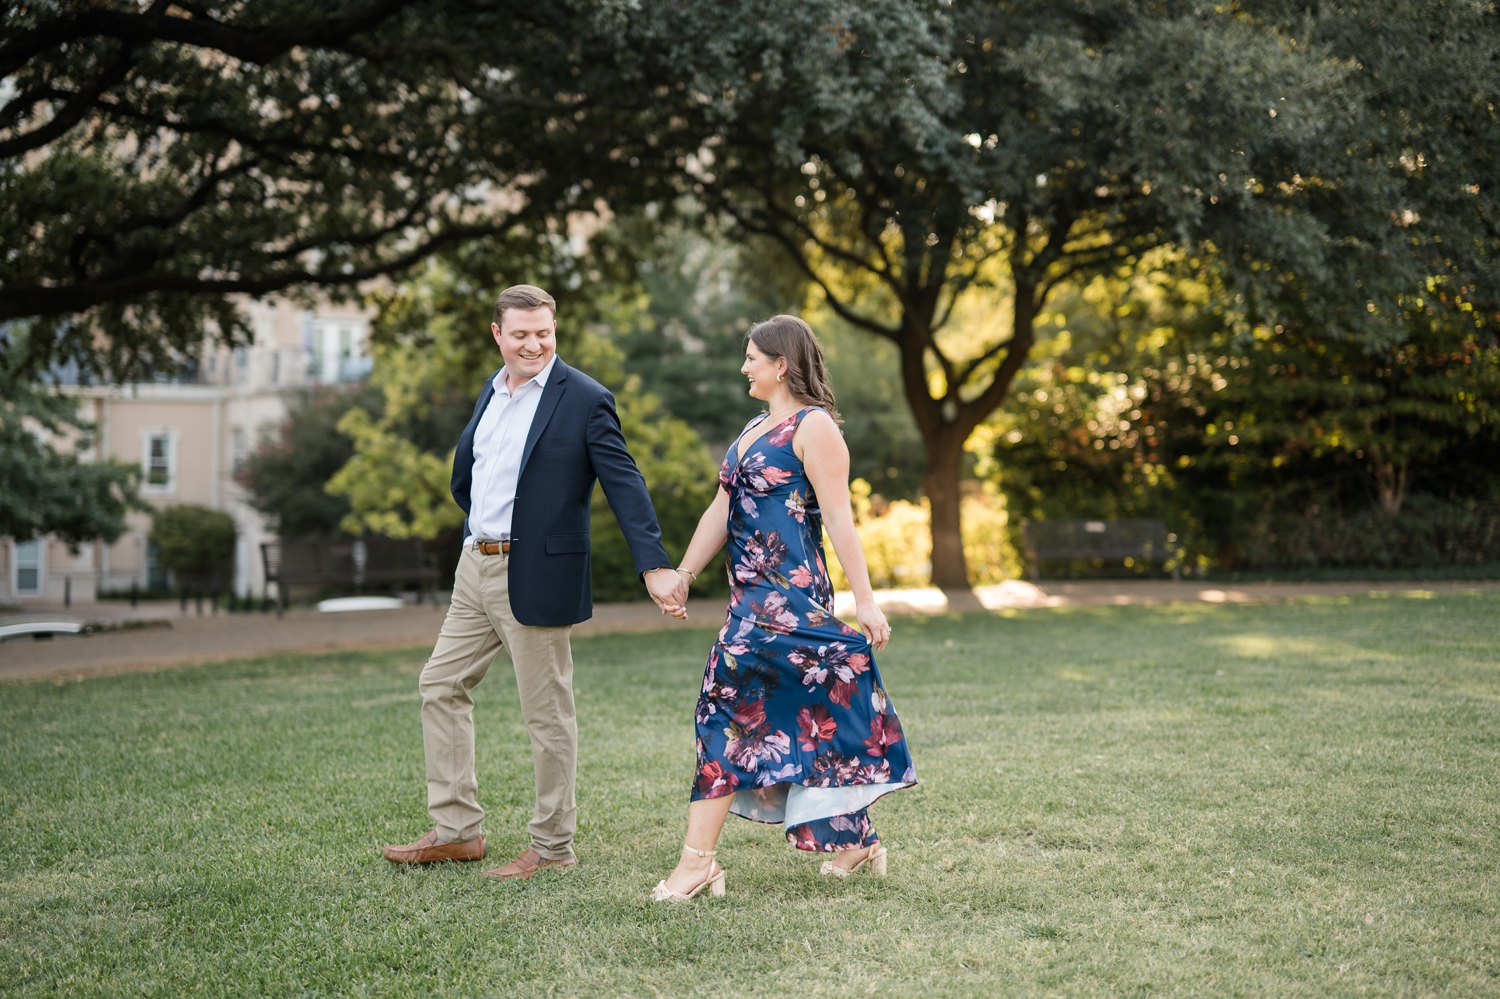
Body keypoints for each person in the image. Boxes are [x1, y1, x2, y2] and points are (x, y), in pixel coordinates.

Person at [382, 284, 688, 879]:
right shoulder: (491, 391)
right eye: (520, 334)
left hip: (537, 570)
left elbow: (624, 482)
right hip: (476, 567)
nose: (533, 344)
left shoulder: (586, 399)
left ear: (555, 329)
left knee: (546, 714)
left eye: (543, 333)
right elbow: (472, 470)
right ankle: (457, 831)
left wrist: (654, 565)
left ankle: (552, 847)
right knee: (440, 684)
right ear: (497, 334)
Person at [649, 314, 917, 902]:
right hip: (748, 603)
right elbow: (720, 509)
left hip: (789, 603)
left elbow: (841, 520)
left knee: (723, 713)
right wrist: (685, 574)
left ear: (781, 365)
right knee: (786, 716)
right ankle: (856, 839)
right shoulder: (751, 428)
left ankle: (697, 864)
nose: (743, 367)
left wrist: (866, 602)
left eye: (751, 357)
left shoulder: (814, 428)